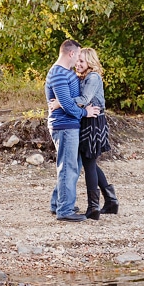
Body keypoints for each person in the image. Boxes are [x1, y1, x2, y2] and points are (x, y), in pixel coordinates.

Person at [50, 48, 119, 219]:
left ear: (90, 62)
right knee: (89, 162)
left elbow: (84, 100)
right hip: (86, 120)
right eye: (78, 61)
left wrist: (61, 103)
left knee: (89, 162)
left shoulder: (93, 77)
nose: (78, 64)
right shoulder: (83, 77)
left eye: (82, 61)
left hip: (93, 121)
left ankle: (94, 208)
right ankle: (111, 200)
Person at [46, 40, 100, 222]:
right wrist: (86, 112)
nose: (78, 59)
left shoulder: (65, 73)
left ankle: (58, 203)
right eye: (78, 55)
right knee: (68, 168)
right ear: (71, 53)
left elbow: (67, 100)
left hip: (70, 125)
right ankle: (65, 210)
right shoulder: (58, 73)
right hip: (65, 125)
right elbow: (68, 105)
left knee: (71, 167)